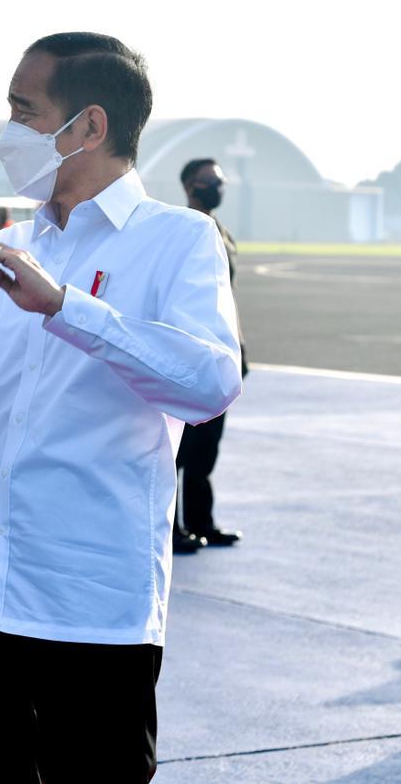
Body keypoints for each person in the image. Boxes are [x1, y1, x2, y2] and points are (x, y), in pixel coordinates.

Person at [0, 32, 242, 782]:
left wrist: (67, 308)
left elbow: (210, 382)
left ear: (90, 127)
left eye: (25, 110)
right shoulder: (7, 247)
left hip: (93, 612)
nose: (9, 131)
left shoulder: (178, 240)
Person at [172, 158, 248, 553]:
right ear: (189, 185)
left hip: (219, 353)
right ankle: (171, 528)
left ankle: (202, 521)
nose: (217, 188)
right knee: (179, 451)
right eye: (209, 182)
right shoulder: (180, 230)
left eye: (220, 181)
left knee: (205, 450)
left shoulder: (222, 233)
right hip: (190, 356)